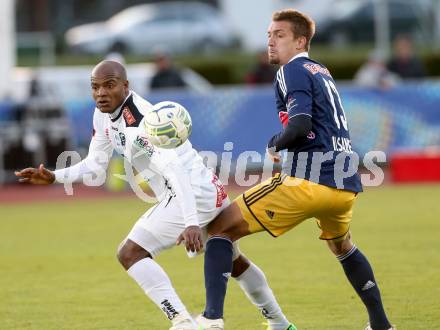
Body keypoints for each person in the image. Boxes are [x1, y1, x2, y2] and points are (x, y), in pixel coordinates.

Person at [15, 61, 293, 330]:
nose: (101, 93)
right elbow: (95, 164)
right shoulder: (102, 115)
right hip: (205, 188)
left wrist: (191, 222)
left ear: (126, 86)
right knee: (234, 262)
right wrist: (55, 176)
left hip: (191, 192)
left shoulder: (143, 124)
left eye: (109, 85)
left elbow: (176, 172)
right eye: (95, 87)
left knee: (130, 253)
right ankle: (280, 323)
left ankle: (183, 322)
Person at [199, 9, 395, 330]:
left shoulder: (291, 70)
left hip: (310, 180)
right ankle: (381, 324)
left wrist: (275, 144)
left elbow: (301, 124)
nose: (271, 42)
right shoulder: (320, 71)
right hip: (345, 185)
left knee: (219, 230)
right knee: (342, 246)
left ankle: (211, 320)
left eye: (280, 35)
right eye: (269, 35)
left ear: (300, 40)